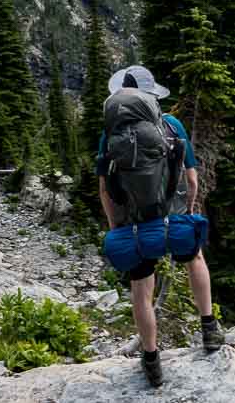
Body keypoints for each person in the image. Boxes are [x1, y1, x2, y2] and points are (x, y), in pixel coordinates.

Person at [96, 65, 224, 388]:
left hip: (135, 226)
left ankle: (151, 360)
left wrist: (116, 225)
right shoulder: (172, 124)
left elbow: (105, 188)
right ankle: (209, 327)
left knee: (141, 289)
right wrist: (188, 208)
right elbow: (192, 180)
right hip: (172, 218)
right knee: (195, 257)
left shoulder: (109, 135)